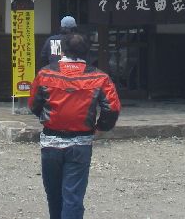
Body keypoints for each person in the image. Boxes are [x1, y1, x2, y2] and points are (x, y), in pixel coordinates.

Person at [29, 33, 121, 219]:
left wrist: (46, 117)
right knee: (73, 197)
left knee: (53, 195)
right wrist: (100, 127)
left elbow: (33, 104)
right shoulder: (99, 77)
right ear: (87, 52)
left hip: (50, 141)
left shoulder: (45, 74)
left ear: (62, 50)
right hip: (81, 143)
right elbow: (112, 108)